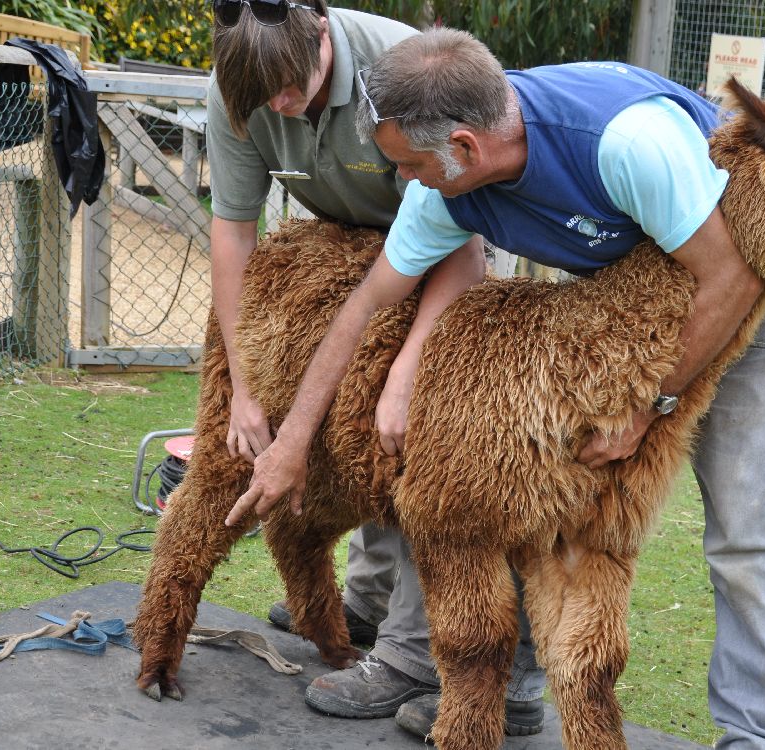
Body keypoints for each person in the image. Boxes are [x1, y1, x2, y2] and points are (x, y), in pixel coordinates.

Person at [224, 26, 765, 748]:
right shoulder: (444, 187)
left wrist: (650, 404)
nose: (403, 182)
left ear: (465, 149)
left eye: (409, 166)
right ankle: (513, 694)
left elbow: (726, 276)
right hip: (630, 307)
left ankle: (758, 737)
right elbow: (366, 306)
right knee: (541, 499)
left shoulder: (624, 142)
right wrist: (291, 442)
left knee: (746, 535)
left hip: (750, 289)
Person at [205, 1, 545, 736]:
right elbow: (233, 232)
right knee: (351, 434)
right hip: (353, 267)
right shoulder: (248, 80)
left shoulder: (399, 78)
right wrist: (242, 383)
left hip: (446, 251)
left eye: (293, 88)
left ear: (321, 34)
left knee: (421, 449)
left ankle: (410, 652)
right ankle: (368, 597)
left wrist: (405, 377)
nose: (279, 107)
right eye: (264, 99)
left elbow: (460, 246)